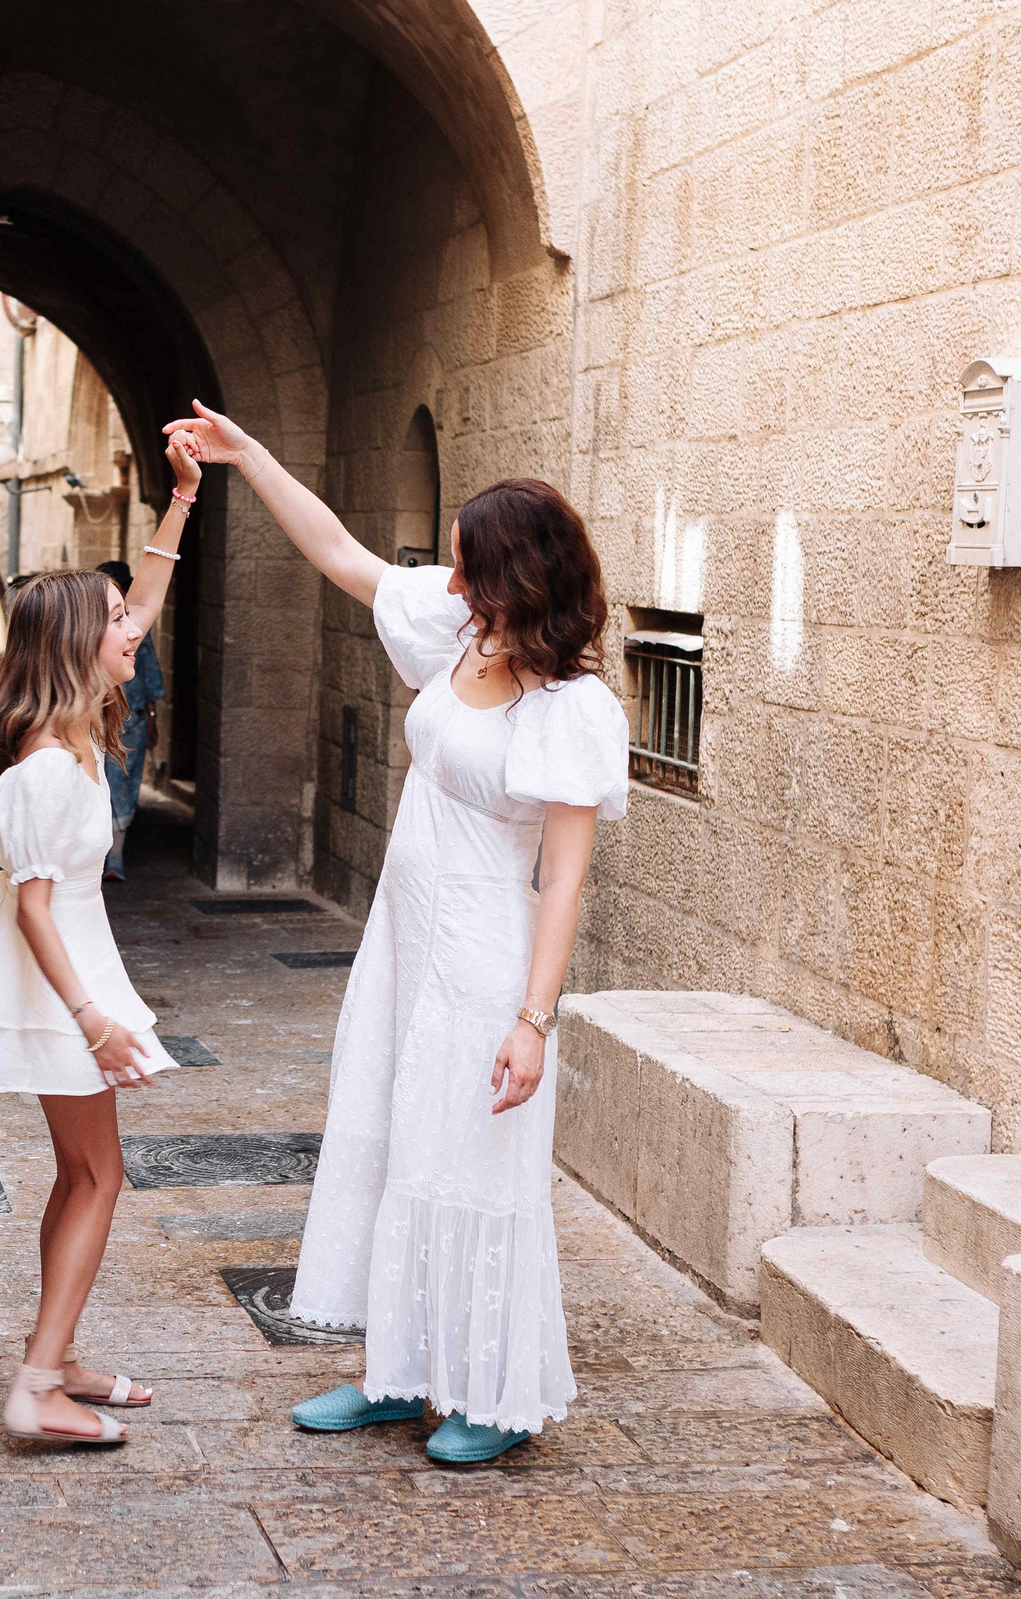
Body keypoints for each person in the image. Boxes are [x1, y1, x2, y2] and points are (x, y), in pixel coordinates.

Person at [162, 401, 627, 1465]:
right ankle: (396, 1373)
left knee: (466, 1162)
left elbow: (561, 879)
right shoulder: (456, 633)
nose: (450, 584)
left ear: (520, 579)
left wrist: (533, 1021)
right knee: (387, 1138)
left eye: (470, 570)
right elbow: (337, 551)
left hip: (483, 960)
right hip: (404, 941)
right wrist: (251, 455)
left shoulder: (571, 708)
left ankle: (487, 1398)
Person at [0, 441, 204, 1446]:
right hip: (59, 981)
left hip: (69, 972)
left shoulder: (75, 728)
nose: (135, 629)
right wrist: (92, 1021)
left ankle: (58, 1355)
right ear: (82, 647)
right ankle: (36, 1387)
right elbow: (33, 908)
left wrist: (181, 501)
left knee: (84, 1174)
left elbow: (148, 597)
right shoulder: (43, 771)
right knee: (98, 1175)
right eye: (117, 622)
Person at [91, 559, 164, 880]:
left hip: (112, 720)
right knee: (118, 786)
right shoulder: (132, 632)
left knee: (104, 784)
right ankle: (112, 856)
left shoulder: (97, 628)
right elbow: (150, 677)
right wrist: (151, 719)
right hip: (116, 720)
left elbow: (147, 675)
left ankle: (108, 856)